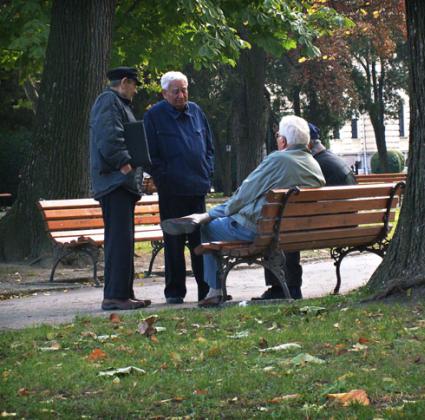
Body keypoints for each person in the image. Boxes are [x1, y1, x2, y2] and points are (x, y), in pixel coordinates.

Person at [161, 115, 326, 306]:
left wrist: (209, 214)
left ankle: (214, 291)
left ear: (283, 140)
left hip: (260, 229)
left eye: (278, 135)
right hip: (296, 230)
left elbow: (242, 195)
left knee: (207, 228)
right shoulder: (314, 164)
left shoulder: (278, 160)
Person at [257, 123, 357, 300]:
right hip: (346, 226)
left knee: (280, 229)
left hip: (326, 228)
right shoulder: (330, 160)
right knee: (287, 225)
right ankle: (286, 287)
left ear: (308, 144)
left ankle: (284, 289)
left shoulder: (312, 164)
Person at [144, 71, 215, 304]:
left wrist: (207, 171)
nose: (181, 95)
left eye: (184, 89)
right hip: (171, 191)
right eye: (176, 91)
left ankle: (206, 290)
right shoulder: (154, 116)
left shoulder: (196, 111)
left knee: (200, 243)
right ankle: (174, 292)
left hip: (197, 187)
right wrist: (164, 179)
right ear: (164, 93)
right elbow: (150, 154)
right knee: (173, 244)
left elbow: (208, 147)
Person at [89, 66, 151, 311]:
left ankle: (124, 294)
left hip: (120, 184)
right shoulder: (108, 101)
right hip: (114, 182)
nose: (135, 91)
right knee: (118, 241)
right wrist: (124, 163)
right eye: (134, 85)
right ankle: (114, 295)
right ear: (124, 82)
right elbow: (109, 136)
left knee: (124, 241)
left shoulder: (118, 103)